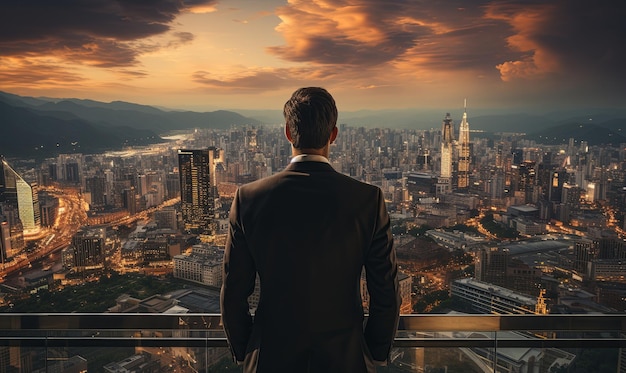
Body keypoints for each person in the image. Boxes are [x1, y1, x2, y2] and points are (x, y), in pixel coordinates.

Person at [220, 87, 400, 373]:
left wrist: (248, 352)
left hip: (270, 358)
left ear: (288, 133)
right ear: (334, 135)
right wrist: (372, 354)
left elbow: (233, 292)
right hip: (345, 358)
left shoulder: (249, 198)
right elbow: (386, 291)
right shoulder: (367, 200)